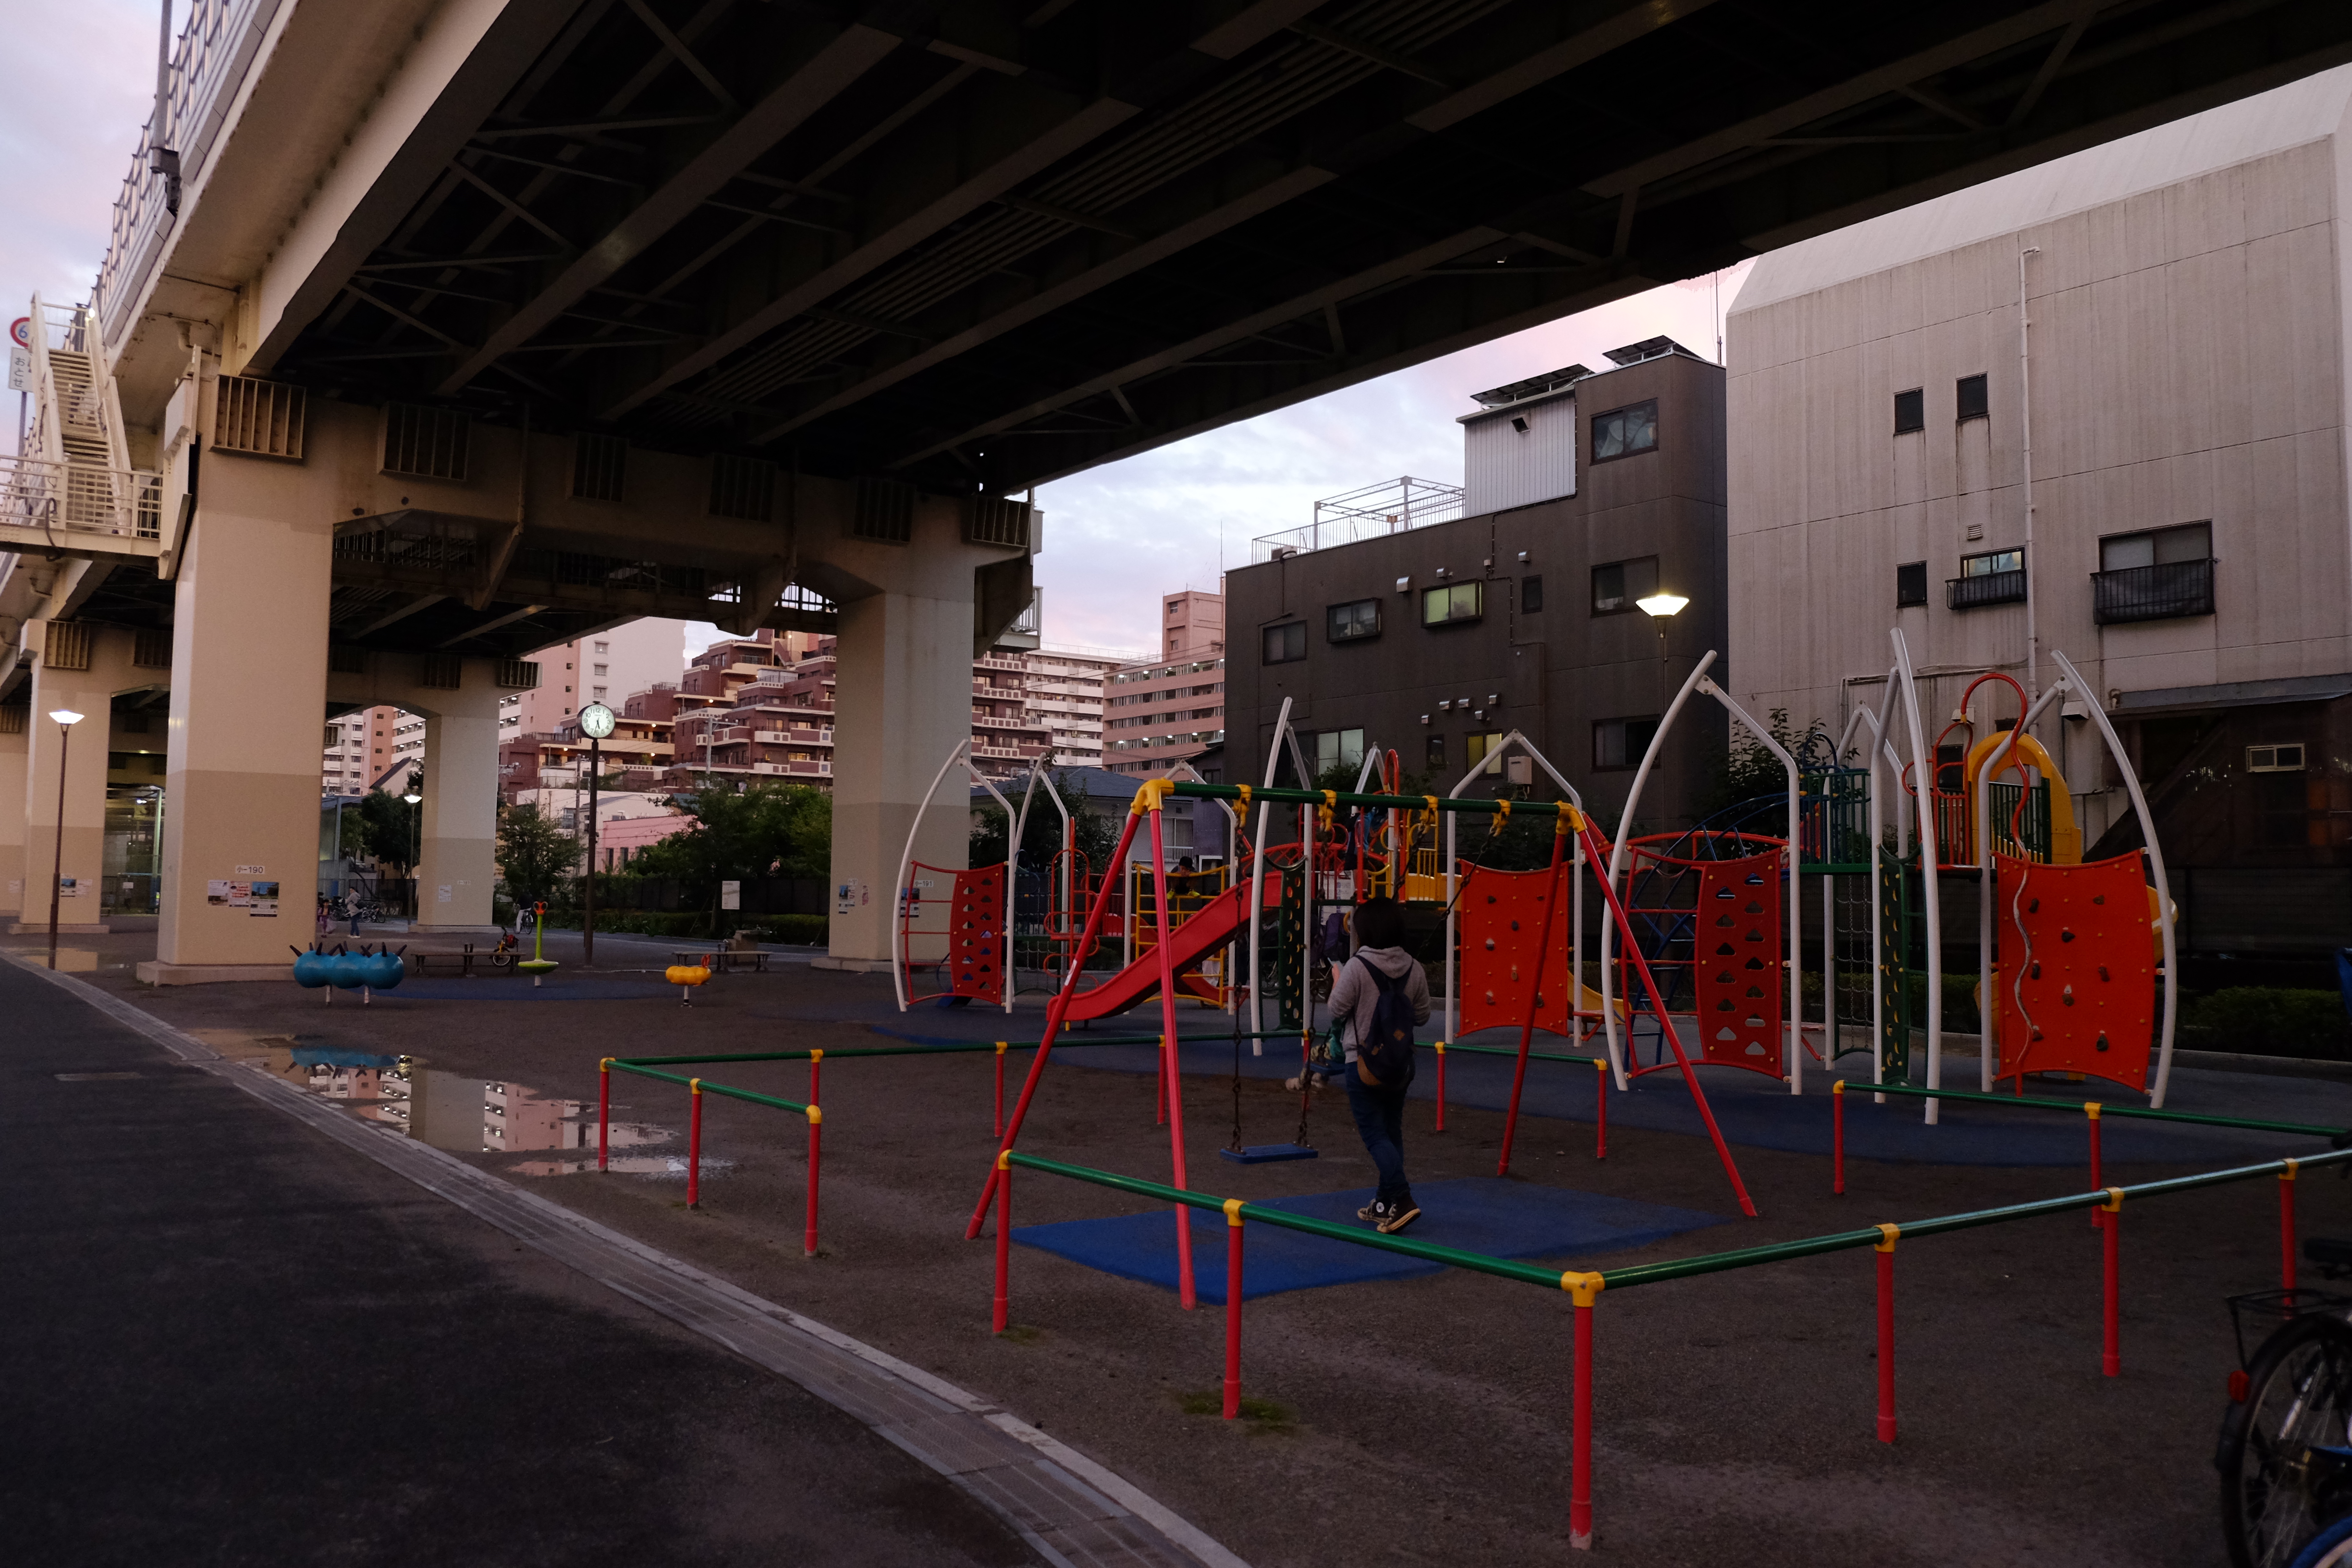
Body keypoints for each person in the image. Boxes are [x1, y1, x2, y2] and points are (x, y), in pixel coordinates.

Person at [1326, 896, 1429, 1234]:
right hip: (1400, 1064)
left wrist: (1338, 980)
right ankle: (1385, 1203)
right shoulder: (1415, 968)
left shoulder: (1358, 967)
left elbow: (1336, 1010)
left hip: (1363, 1063)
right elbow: (1423, 1016)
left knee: (1374, 1133)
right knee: (1391, 1130)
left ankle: (1403, 1197)